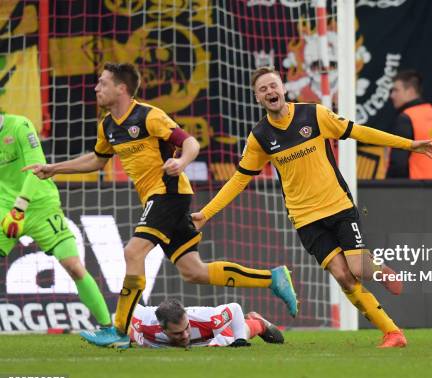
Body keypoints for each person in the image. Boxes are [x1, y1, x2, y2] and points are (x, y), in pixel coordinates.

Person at [25, 63, 298, 350]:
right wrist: (54, 168)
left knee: (133, 251)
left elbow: (190, 142)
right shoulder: (107, 125)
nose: (96, 88)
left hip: (168, 194)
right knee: (194, 271)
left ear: (122, 88)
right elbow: (96, 160)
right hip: (159, 199)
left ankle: (118, 328)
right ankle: (272, 278)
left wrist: (181, 162)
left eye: (103, 83)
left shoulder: (148, 116)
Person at [190, 66, 432, 348]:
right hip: (305, 218)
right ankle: (393, 333)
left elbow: (359, 132)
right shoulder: (259, 137)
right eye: (263, 89)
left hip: (337, 204)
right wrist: (206, 213)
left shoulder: (315, 114)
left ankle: (379, 270)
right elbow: (238, 181)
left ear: (283, 88)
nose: (270, 92)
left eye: (273, 86)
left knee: (358, 267)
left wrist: (409, 145)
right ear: (257, 98)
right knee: (343, 277)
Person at [0, 113, 111, 327]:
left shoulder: (20, 126)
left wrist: (19, 208)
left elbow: (36, 169)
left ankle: (108, 328)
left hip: (40, 205)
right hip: (6, 209)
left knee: (73, 266)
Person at [126, 299, 283, 348]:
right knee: (133, 335)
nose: (185, 334)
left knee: (233, 336)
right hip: (150, 339)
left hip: (212, 337)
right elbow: (128, 307)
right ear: (163, 329)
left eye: (186, 328)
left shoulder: (209, 319)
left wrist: (240, 340)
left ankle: (257, 322)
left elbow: (234, 308)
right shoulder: (144, 323)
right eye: (178, 333)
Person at [388, 70, 432, 179]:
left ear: (410, 91)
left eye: (395, 90)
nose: (392, 95)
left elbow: (398, 164)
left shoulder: (406, 117)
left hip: (410, 190)